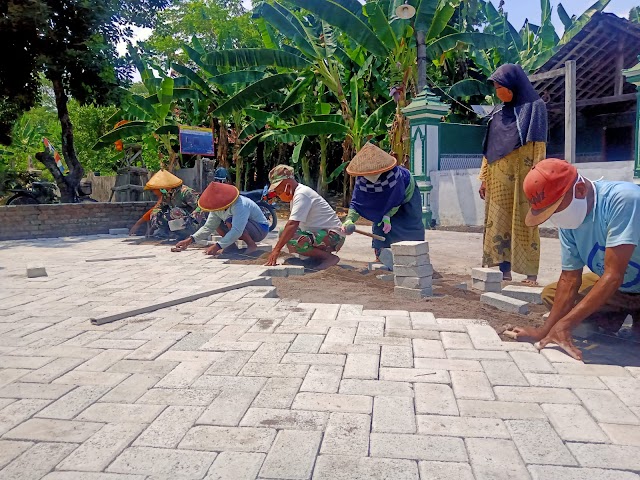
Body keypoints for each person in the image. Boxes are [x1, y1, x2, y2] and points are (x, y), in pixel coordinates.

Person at [511, 158, 640, 361]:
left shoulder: (624, 199)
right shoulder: (570, 221)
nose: (555, 218)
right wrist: (545, 330)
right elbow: (570, 279)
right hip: (620, 290)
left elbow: (614, 275)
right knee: (552, 295)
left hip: (618, 282)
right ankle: (615, 318)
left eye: (556, 209)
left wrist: (565, 324)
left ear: (580, 190)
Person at [479, 63, 548, 285]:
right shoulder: (497, 112)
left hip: (525, 176)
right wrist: (484, 179)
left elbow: (539, 145)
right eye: (496, 87)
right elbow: (488, 149)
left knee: (526, 223)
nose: (499, 91)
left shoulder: (535, 107)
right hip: (498, 178)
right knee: (498, 223)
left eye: (502, 86)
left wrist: (539, 178)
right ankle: (504, 270)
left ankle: (530, 274)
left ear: (513, 85)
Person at [342, 143, 425, 261]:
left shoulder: (394, 175)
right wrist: (349, 219)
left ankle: (416, 258)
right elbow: (357, 201)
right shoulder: (361, 179)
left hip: (406, 196)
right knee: (380, 223)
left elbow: (396, 198)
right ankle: (381, 257)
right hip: (388, 202)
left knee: (410, 225)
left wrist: (387, 216)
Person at [265, 165, 345, 270]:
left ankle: (329, 258)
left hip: (333, 236)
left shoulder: (302, 194)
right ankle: (317, 256)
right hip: (320, 233)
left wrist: (276, 250)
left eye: (278, 189)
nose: (278, 193)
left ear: (287, 183)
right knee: (284, 232)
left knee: (294, 237)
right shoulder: (296, 195)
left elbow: (292, 224)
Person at [174, 181, 270, 255]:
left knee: (230, 221)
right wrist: (190, 240)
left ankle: (251, 245)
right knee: (217, 224)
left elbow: (237, 230)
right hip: (245, 227)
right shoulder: (217, 208)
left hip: (260, 230)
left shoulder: (240, 204)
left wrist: (217, 246)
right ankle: (231, 246)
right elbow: (208, 227)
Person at [130, 170, 205, 239]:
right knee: (158, 215)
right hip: (179, 222)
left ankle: (188, 234)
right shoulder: (166, 195)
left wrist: (194, 220)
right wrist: (155, 215)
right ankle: (170, 233)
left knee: (175, 212)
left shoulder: (185, 192)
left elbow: (200, 207)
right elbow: (158, 207)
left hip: (193, 222)